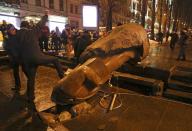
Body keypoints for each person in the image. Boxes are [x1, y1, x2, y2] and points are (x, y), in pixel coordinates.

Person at [16, 14, 64, 112]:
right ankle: (63, 77)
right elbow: (41, 24)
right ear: (28, 26)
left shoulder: (16, 35)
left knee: (31, 79)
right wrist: (46, 15)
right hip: (37, 57)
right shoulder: (32, 31)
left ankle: (31, 97)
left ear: (20, 27)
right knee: (55, 60)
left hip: (26, 61)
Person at [3, 24, 21, 91]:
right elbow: (5, 46)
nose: (13, 31)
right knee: (15, 72)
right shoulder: (7, 37)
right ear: (8, 31)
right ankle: (17, 86)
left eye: (13, 30)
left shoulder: (18, 34)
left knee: (26, 71)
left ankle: (30, 86)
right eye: (11, 30)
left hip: (21, 56)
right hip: (13, 57)